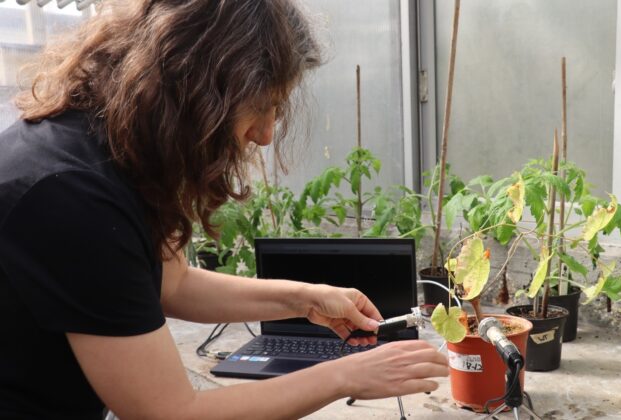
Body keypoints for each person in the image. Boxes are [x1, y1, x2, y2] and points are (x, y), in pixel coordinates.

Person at [0, 1, 448, 419]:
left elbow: (173, 284)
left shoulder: (117, 148)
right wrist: (347, 374)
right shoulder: (73, 194)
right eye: (261, 106)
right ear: (197, 90)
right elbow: (171, 411)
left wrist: (306, 299)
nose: (267, 134)